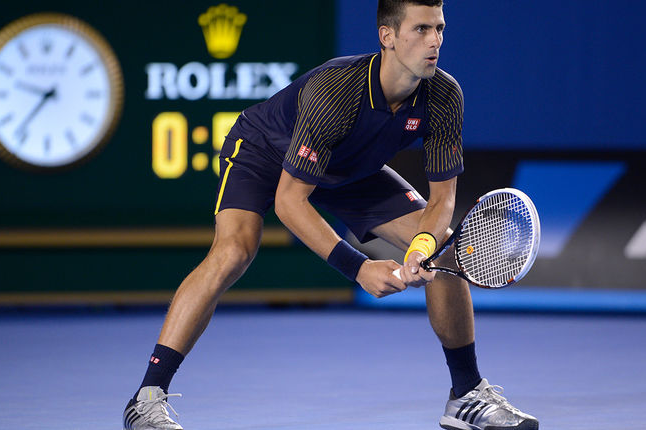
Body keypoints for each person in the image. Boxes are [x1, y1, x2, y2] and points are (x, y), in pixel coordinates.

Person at [123, 1, 539, 429]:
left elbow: (441, 202)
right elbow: (289, 201)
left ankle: (465, 395)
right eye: (420, 29)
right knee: (233, 251)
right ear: (388, 37)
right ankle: (147, 397)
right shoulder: (337, 89)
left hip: (351, 171)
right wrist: (358, 268)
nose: (434, 41)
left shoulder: (445, 95)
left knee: (445, 254)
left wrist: (423, 247)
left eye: (440, 28)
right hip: (265, 154)